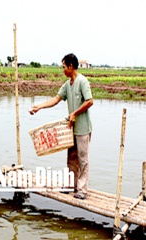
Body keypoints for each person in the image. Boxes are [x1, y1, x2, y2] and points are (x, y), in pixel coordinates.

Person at [29, 53, 93, 200]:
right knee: (71, 158)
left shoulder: (82, 81)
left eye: (64, 67)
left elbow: (89, 101)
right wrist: (39, 106)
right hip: (71, 128)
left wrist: (75, 113)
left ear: (71, 66)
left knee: (83, 159)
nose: (62, 70)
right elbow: (56, 99)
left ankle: (82, 190)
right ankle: (72, 185)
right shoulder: (67, 84)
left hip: (82, 128)